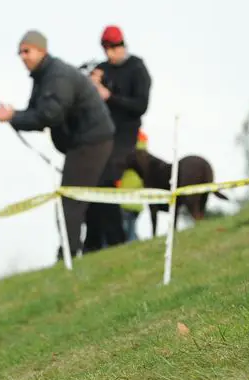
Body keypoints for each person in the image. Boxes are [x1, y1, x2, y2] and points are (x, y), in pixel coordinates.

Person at [0, 30, 115, 258]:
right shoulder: (44, 76)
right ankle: (91, 249)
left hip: (91, 141)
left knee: (70, 198)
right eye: (20, 53)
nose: (23, 57)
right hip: (86, 141)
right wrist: (14, 115)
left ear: (42, 50)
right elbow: (36, 114)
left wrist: (12, 117)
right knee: (87, 198)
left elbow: (49, 116)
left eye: (26, 51)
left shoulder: (56, 76)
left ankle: (68, 254)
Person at [83, 25, 153, 252]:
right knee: (95, 182)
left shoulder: (137, 68)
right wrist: (91, 84)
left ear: (123, 45)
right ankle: (97, 243)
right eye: (107, 49)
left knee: (108, 181)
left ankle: (117, 242)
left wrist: (110, 96)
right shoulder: (102, 69)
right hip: (102, 136)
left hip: (127, 137)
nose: (111, 53)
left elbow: (140, 106)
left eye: (114, 47)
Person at [115, 129, 149, 242]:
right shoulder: (144, 159)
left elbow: (118, 175)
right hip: (137, 202)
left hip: (123, 199)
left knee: (125, 232)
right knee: (131, 229)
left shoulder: (125, 156)